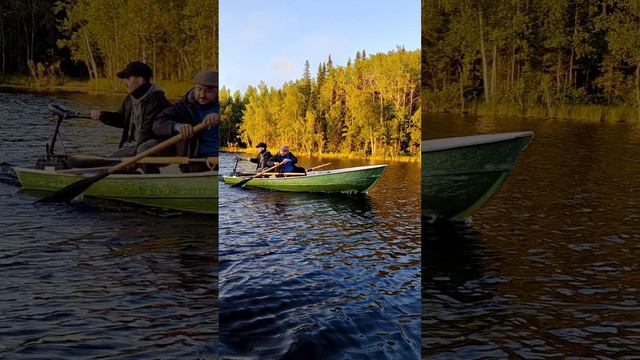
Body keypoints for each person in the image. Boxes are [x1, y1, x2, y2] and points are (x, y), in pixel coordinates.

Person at [90, 61, 170, 158]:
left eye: (128, 79)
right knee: (109, 161)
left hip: (157, 144)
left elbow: (147, 131)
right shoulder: (129, 99)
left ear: (140, 80)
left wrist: (131, 157)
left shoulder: (157, 100)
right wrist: (102, 116)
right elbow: (122, 120)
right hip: (133, 146)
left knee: (142, 149)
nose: (125, 83)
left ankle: (150, 172)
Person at [153, 69, 219, 172]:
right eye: (199, 89)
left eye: (208, 91)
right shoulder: (182, 107)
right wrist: (177, 126)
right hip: (195, 161)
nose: (202, 95)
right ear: (194, 88)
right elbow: (157, 124)